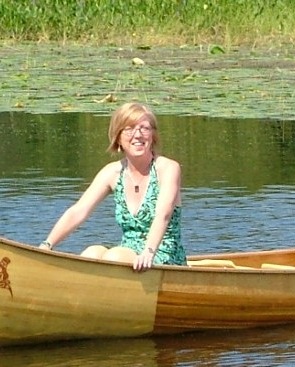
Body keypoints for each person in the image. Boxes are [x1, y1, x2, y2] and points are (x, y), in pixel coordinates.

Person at [39, 102, 187, 271]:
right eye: (129, 129)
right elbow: (78, 211)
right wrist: (47, 245)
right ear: (118, 136)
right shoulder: (112, 173)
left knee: (114, 257)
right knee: (92, 253)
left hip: (160, 255)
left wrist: (148, 251)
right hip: (127, 253)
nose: (138, 135)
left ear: (153, 135)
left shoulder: (167, 168)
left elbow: (164, 214)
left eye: (144, 128)